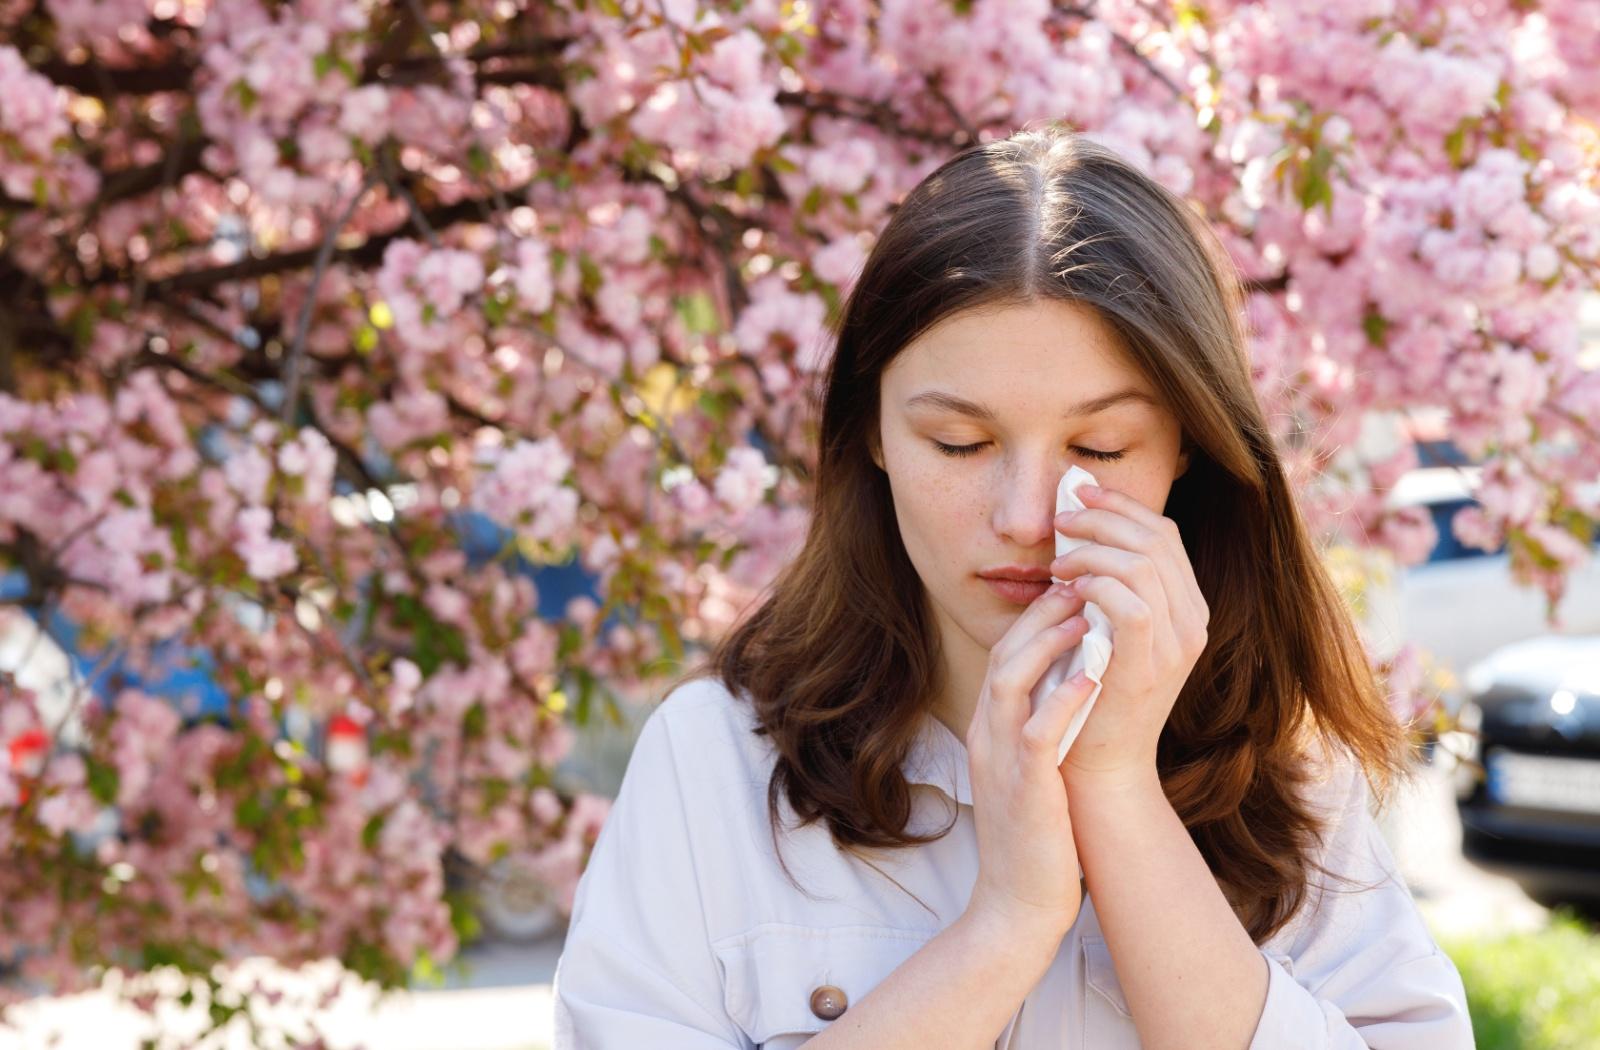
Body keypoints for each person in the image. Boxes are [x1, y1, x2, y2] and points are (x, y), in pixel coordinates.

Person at [551, 124, 1474, 1049]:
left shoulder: (1285, 769)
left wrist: (1117, 792)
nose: (1028, 516)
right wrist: (1006, 928)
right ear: (874, 432)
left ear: (1188, 444)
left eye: (1100, 448)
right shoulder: (719, 764)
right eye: (960, 443)